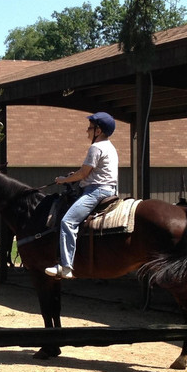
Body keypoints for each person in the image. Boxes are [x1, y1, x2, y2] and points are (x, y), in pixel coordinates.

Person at [45, 112, 119, 279]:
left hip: (95, 191)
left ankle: (66, 267)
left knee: (67, 222)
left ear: (98, 131)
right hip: (110, 189)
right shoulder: (111, 147)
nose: (87, 131)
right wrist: (76, 176)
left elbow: (83, 173)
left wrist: (64, 179)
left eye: (90, 128)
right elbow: (89, 172)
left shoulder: (96, 147)